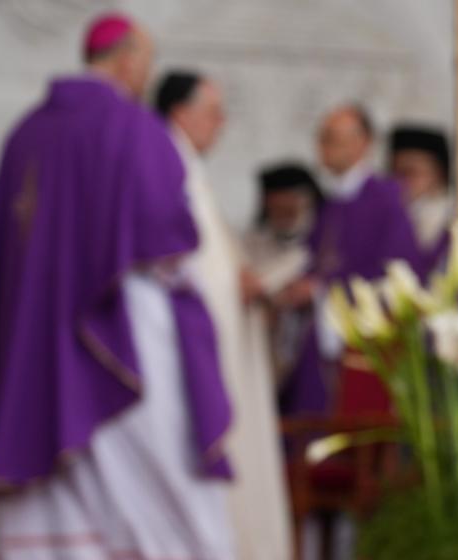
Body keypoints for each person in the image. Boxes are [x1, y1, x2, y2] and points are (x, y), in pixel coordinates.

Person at [0, 13, 233, 557]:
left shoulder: (27, 131)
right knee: (163, 487)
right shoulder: (133, 126)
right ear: (128, 60)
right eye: (146, 64)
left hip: (30, 344)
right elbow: (167, 239)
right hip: (121, 334)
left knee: (51, 482)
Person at [155, 70, 293, 560]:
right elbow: (189, 269)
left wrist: (241, 278)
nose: (222, 123)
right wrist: (239, 283)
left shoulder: (184, 163)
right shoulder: (170, 165)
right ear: (182, 113)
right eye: (213, 112)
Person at [279, 104, 421, 415]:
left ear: (362, 144)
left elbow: (396, 271)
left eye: (331, 138)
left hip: (363, 342)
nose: (322, 148)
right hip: (321, 335)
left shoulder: (386, 198)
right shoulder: (330, 203)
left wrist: (318, 289)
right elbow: (314, 259)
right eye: (322, 138)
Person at [243, 162, 322, 383]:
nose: (285, 211)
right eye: (276, 205)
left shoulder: (322, 242)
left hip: (309, 344)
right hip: (267, 346)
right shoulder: (251, 243)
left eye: (293, 203)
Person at [388, 125, 454, 280]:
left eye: (411, 172)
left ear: (439, 175)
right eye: (396, 172)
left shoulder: (456, 217)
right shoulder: (389, 214)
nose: (402, 181)